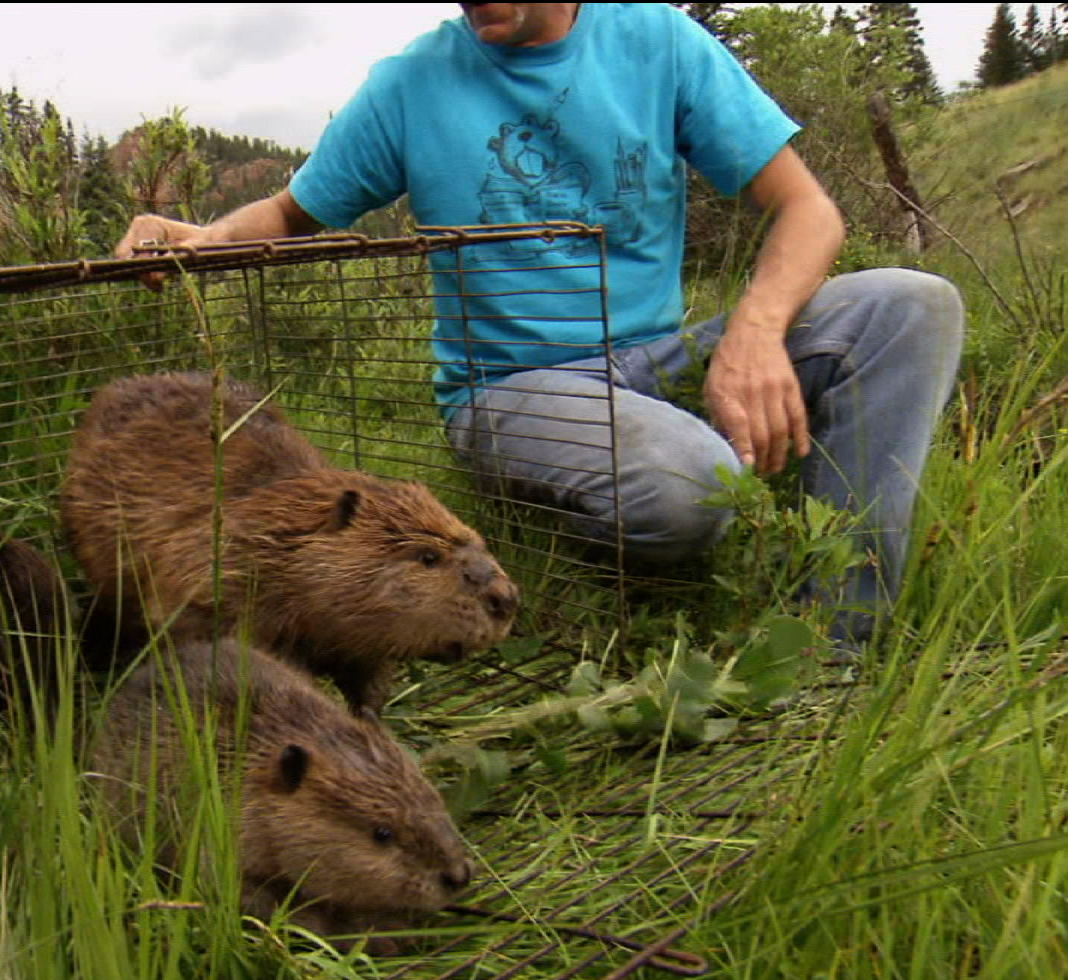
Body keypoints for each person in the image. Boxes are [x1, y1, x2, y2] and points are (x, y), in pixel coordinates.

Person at [115, 2, 963, 649]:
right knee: (694, 485)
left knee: (910, 305)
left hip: (652, 358)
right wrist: (198, 238)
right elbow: (290, 213)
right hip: (511, 387)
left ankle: (832, 645)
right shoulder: (412, 83)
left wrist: (752, 333)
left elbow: (808, 211)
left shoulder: (660, 42)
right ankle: (579, 539)